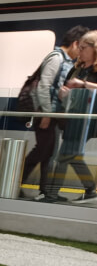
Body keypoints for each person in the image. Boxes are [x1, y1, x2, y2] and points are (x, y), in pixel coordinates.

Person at [22, 25, 88, 202]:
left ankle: (47, 190)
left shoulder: (66, 61)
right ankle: (23, 183)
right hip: (46, 113)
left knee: (47, 152)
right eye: (81, 47)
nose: (81, 52)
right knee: (43, 151)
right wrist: (47, 114)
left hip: (52, 114)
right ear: (75, 43)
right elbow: (44, 86)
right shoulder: (56, 58)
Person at [44, 30, 97, 203]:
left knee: (65, 154)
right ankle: (90, 189)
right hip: (72, 116)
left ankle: (51, 194)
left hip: (88, 119)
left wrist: (82, 84)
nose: (79, 51)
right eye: (79, 47)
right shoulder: (76, 69)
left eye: (83, 48)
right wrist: (63, 93)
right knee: (71, 154)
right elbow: (66, 91)